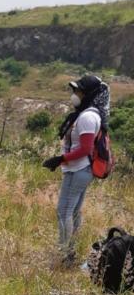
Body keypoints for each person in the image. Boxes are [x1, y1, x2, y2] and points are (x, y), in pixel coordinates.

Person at [43, 75, 109, 267]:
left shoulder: (88, 117)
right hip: (79, 169)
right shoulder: (88, 113)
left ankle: (64, 254)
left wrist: (60, 159)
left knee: (64, 210)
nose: (75, 95)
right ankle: (70, 252)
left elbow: (85, 149)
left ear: (88, 94)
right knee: (73, 212)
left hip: (79, 169)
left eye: (78, 91)